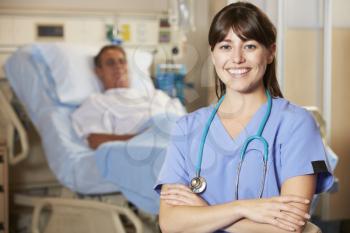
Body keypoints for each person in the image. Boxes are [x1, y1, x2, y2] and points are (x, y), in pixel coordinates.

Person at [154, 2, 334, 233]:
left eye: (249, 46)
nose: (236, 58)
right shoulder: (187, 128)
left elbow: (289, 228)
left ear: (270, 52)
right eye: (226, 47)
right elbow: (170, 223)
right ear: (213, 54)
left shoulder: (296, 124)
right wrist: (242, 209)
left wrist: (204, 211)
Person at [72, 45, 186, 149]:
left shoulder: (156, 95)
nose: (118, 67)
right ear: (99, 71)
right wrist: (141, 139)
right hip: (150, 150)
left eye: (122, 61)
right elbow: (94, 140)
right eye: (111, 63)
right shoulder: (97, 102)